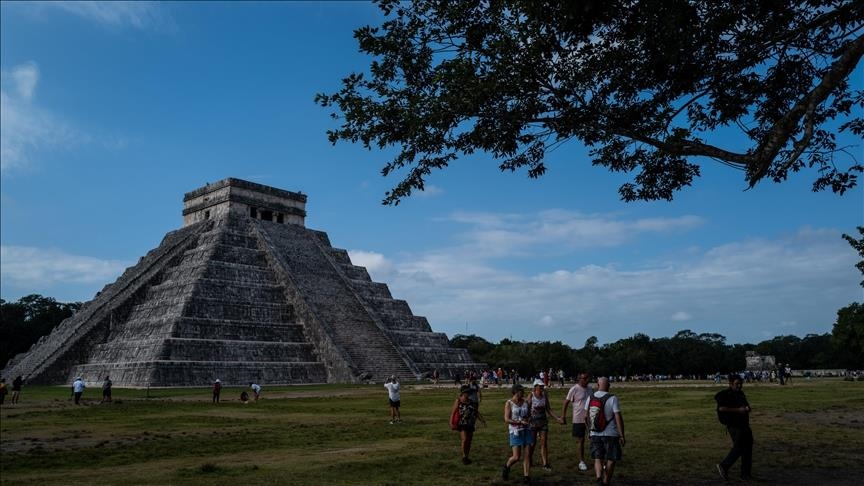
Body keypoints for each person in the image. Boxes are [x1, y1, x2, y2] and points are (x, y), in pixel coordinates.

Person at [585, 377, 624, 486]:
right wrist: (622, 435)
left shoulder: (591, 397)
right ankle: (606, 481)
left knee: (598, 457)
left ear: (598, 385)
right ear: (608, 386)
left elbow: (585, 417)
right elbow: (618, 418)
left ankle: (598, 477)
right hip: (611, 434)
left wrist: (589, 431)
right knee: (611, 458)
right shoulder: (613, 398)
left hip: (595, 433)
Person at [715, 374, 753, 481]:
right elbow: (721, 408)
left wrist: (747, 408)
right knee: (740, 447)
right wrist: (739, 410)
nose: (739, 386)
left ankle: (745, 474)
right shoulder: (725, 394)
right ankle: (724, 465)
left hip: (744, 424)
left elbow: (746, 406)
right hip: (734, 425)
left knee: (748, 448)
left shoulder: (740, 394)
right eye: (737, 384)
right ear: (730, 384)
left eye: (740, 384)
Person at [528, 378, 565, 471]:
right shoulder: (531, 396)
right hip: (533, 423)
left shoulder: (545, 395)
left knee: (544, 443)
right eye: (540, 386)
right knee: (532, 443)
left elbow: (548, 409)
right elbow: (527, 409)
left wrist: (557, 418)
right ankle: (529, 459)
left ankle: (545, 464)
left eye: (542, 386)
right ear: (535, 387)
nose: (542, 388)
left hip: (543, 422)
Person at [502, 383, 534, 483]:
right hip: (515, 431)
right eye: (521, 391)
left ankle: (526, 476)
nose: (523, 392)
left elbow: (529, 415)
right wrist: (519, 422)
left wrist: (528, 419)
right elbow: (507, 419)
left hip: (526, 430)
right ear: (515, 392)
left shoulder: (525, 402)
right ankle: (506, 467)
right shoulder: (509, 403)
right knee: (516, 457)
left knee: (527, 454)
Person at [562, 372, 593, 471]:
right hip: (578, 419)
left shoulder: (590, 389)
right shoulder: (574, 389)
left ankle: (598, 459)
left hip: (590, 419)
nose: (587, 380)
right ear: (579, 379)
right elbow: (566, 402)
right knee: (581, 440)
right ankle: (581, 461)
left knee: (594, 439)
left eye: (588, 378)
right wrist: (563, 416)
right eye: (584, 378)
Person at [451, 384, 485, 464]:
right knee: (464, 439)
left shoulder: (471, 402)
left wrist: (482, 420)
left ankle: (467, 456)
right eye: (467, 392)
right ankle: (464, 456)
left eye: (469, 392)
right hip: (462, 423)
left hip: (470, 423)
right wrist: (451, 422)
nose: (468, 394)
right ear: (463, 393)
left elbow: (476, 412)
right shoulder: (458, 401)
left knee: (469, 441)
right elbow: (453, 412)